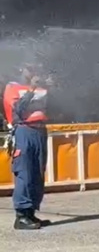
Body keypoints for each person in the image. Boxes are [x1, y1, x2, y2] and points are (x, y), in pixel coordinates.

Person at [4, 64, 51, 229]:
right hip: (24, 131)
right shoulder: (13, 88)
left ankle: (31, 211)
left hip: (40, 131)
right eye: (29, 69)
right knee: (24, 171)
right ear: (20, 70)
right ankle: (22, 215)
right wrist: (31, 89)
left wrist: (53, 86)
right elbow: (18, 109)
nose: (33, 72)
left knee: (37, 172)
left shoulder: (42, 88)